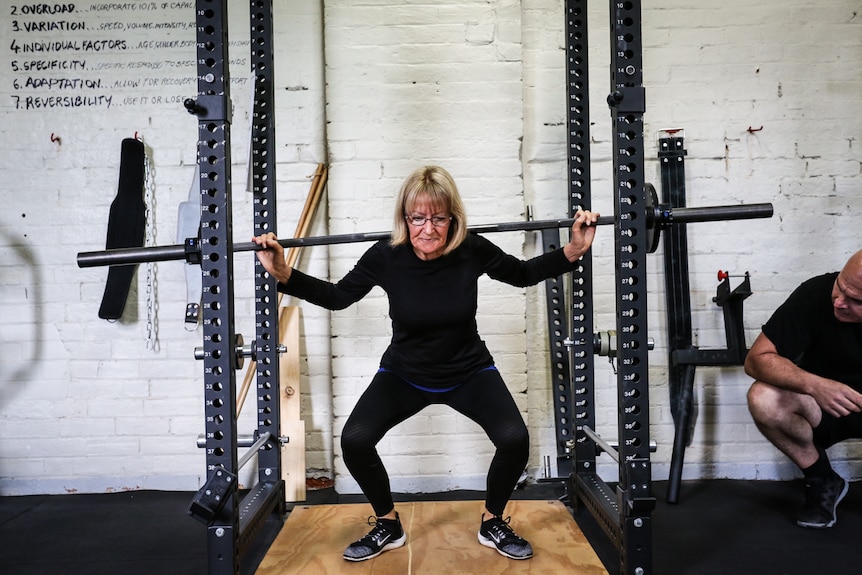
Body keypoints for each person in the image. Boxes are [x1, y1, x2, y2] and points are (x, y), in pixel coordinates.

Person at [252, 165, 599, 561]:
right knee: (355, 439)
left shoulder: (471, 248)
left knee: (514, 439)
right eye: (418, 218)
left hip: (469, 371)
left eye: (439, 218)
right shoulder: (386, 255)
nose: (429, 229)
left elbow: (521, 275)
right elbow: (337, 297)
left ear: (453, 218)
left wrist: (573, 251)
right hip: (405, 373)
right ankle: (387, 523)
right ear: (404, 219)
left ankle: (492, 521)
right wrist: (283, 272)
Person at [745, 249, 862, 529]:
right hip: (824, 406)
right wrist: (815, 385)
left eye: (855, 300)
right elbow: (756, 360)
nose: (839, 302)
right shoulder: (815, 294)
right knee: (763, 397)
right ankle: (822, 479)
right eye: (840, 288)